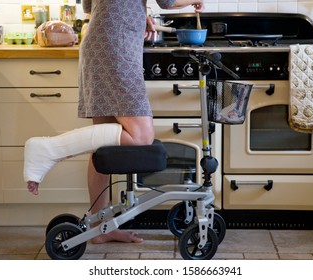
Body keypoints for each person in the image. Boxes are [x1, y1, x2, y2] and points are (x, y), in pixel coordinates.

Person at [24, 0, 205, 244]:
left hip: (103, 41)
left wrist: (139, 14)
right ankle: (48, 149)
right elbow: (168, 1)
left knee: (103, 145)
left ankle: (100, 227)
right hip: (114, 46)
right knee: (141, 136)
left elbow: (91, 7)